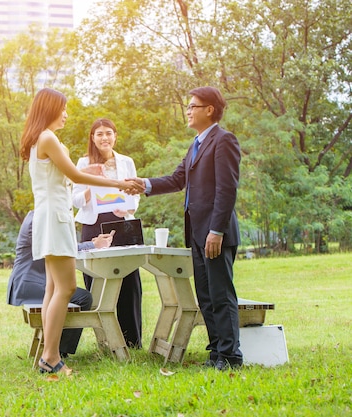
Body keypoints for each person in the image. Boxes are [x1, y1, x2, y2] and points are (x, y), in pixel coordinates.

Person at [19, 87, 139, 375]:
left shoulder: (39, 139)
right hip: (56, 219)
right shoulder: (48, 137)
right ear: (50, 109)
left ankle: (48, 356)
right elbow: (74, 174)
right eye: (63, 108)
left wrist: (93, 175)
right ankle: (51, 358)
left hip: (49, 217)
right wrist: (119, 184)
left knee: (53, 287)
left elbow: (67, 176)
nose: (66, 114)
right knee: (67, 287)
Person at [128, 86, 243, 371]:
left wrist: (216, 231)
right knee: (205, 296)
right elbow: (178, 179)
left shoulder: (223, 140)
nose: (188, 111)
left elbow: (227, 190)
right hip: (196, 232)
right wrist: (144, 184)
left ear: (210, 110)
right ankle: (216, 353)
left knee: (220, 294)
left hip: (215, 233)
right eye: (188, 106)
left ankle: (231, 357)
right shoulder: (195, 145)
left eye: (193, 106)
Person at [72, 118, 143, 348]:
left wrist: (130, 207)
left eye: (108, 133)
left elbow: (136, 192)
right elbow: (74, 198)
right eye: (99, 134)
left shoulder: (126, 162)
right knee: (97, 280)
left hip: (122, 222)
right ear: (92, 138)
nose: (104, 138)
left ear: (115, 136)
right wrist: (90, 189)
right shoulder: (83, 162)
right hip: (93, 225)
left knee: (129, 280)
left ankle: (132, 340)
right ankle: (106, 340)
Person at [6, 210, 114, 357]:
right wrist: (93, 245)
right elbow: (58, 248)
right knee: (83, 298)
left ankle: (58, 349)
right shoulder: (38, 219)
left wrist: (93, 244)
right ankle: (60, 351)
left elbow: (60, 245)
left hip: (35, 281)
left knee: (78, 295)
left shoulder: (39, 215)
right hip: (29, 283)